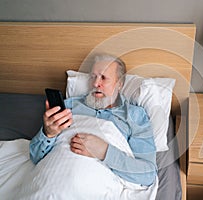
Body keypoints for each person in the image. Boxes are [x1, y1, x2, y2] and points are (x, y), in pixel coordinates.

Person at [30, 53, 157, 186]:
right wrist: (48, 134)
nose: (96, 83)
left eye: (104, 78)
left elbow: (147, 175)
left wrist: (105, 152)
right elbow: (36, 157)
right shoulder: (69, 106)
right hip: (52, 177)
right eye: (93, 77)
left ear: (119, 84)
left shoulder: (135, 116)